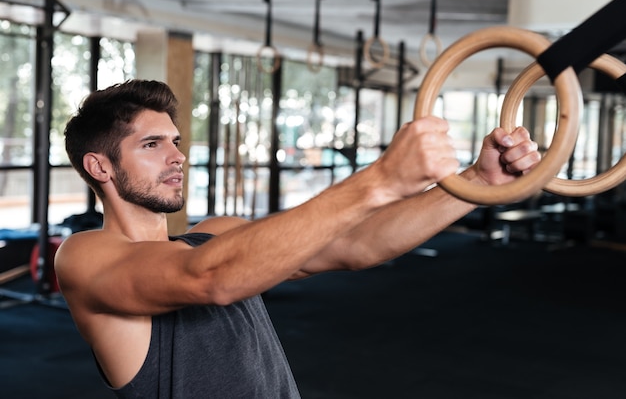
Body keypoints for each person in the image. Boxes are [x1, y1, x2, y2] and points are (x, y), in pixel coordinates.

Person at [55, 79, 541, 398]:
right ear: (100, 167)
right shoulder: (84, 257)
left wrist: (476, 182)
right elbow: (209, 280)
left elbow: (355, 244)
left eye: (177, 142)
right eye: (152, 144)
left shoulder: (216, 236)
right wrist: (379, 179)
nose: (177, 156)